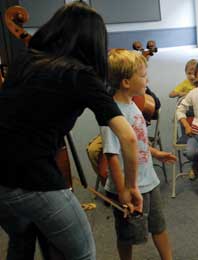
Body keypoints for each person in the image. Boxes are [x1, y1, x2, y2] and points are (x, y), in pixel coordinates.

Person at [0, 2, 142, 259]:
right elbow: (128, 138)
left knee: (21, 241)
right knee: (83, 252)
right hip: (32, 178)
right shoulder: (80, 75)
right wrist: (131, 187)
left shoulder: (25, 60)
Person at [102, 49, 175, 260]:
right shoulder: (113, 114)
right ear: (126, 82)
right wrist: (124, 189)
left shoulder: (133, 104)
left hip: (149, 181)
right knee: (127, 234)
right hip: (129, 186)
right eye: (143, 76)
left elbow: (138, 143)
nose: (148, 79)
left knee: (159, 226)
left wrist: (155, 153)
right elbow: (112, 155)